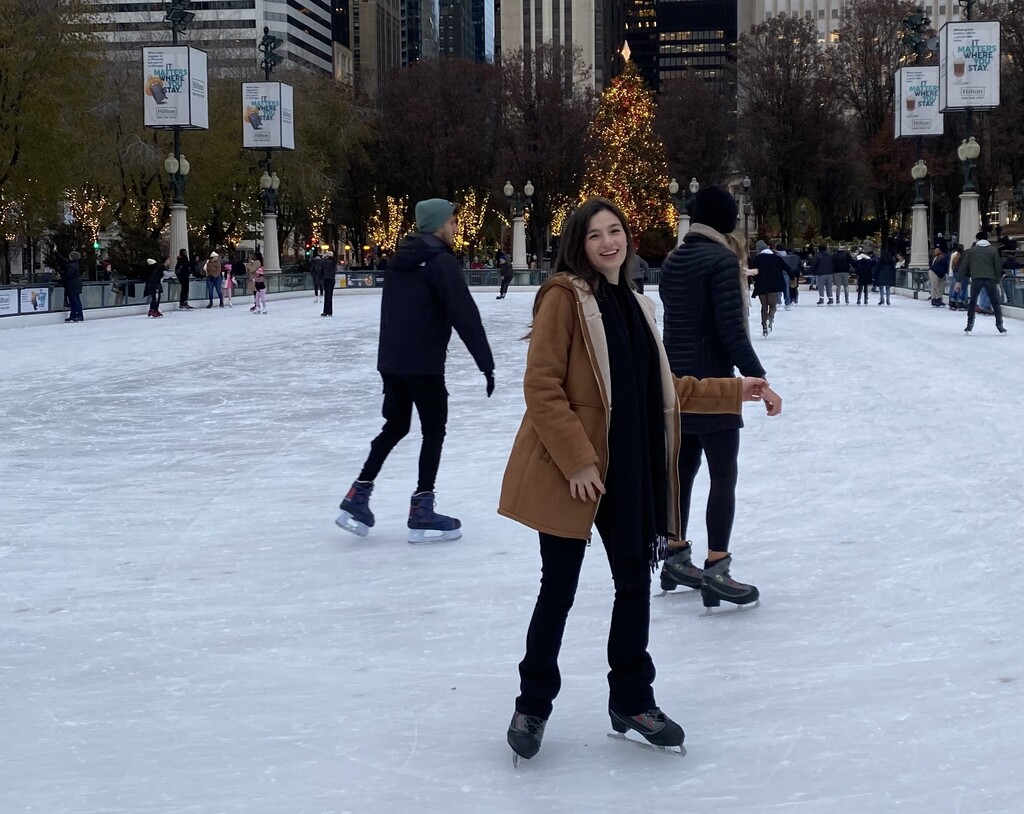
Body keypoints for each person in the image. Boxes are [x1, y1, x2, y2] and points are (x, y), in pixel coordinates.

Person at [498, 198, 779, 765]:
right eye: (596, 234)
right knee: (559, 590)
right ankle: (532, 703)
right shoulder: (564, 297)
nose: (609, 242)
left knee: (632, 587)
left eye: (617, 231)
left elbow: (664, 389)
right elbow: (543, 387)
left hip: (629, 471)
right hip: (572, 473)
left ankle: (631, 698)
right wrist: (579, 461)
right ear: (579, 243)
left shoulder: (636, 305)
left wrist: (735, 388)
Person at [335, 199, 495, 542]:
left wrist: (387, 361)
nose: (455, 229)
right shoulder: (441, 263)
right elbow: (464, 315)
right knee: (434, 429)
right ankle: (422, 509)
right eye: (453, 222)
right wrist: (487, 365)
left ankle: (357, 495)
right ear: (438, 225)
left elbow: (390, 313)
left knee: (395, 426)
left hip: (392, 363)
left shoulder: (398, 260)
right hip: (424, 365)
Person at [657, 186, 774, 608]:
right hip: (715, 385)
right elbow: (730, 330)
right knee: (723, 474)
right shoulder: (722, 260)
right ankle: (716, 565)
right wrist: (757, 378)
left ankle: (674, 554)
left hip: (677, 383)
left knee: (683, 471)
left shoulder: (673, 260)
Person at [956, 231, 1007, 334]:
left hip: (976, 279)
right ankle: (1000, 326)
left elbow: (964, 266)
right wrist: (997, 280)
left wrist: (959, 281)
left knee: (973, 302)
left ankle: (969, 325)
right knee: (995, 303)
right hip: (991, 279)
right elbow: (997, 266)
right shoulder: (993, 250)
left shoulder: (972, 251)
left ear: (977, 240)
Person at [752, 240, 787, 336]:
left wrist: (755, 280)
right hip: (773, 286)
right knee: (772, 306)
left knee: (764, 307)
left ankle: (764, 327)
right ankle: (769, 319)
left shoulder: (757, 259)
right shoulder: (776, 258)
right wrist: (792, 278)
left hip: (761, 287)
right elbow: (786, 268)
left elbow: (754, 272)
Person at [55, 248, 85, 322]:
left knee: (75, 300)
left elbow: (67, 275)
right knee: (72, 301)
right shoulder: (72, 264)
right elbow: (63, 260)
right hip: (72, 285)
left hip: (73, 285)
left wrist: (61, 280)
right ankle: (74, 315)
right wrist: (56, 252)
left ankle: (78, 315)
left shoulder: (72, 266)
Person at [320, 251, 336, 317]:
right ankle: (329, 311)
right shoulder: (333, 262)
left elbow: (321, 265)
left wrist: (323, 258)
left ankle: (326, 311)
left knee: (327, 296)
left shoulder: (326, 262)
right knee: (330, 296)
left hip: (327, 279)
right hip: (332, 279)